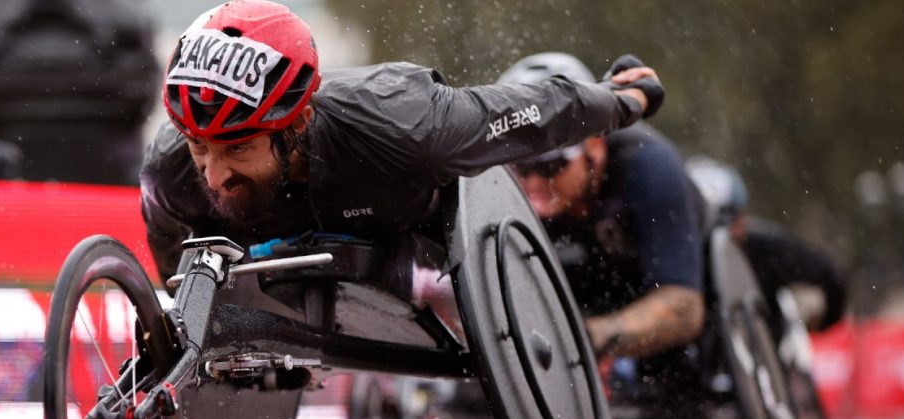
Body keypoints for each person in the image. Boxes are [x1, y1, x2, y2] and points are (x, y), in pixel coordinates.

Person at [139, 0, 666, 294]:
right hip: (277, 262)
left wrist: (621, 101)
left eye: (237, 150)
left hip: (407, 230)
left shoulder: (404, 122)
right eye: (200, 148)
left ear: (297, 118)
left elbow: (528, 113)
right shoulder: (168, 172)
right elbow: (170, 271)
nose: (213, 175)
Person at [498, 52, 709, 419]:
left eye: (548, 167)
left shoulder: (648, 164)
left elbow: (684, 309)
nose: (532, 186)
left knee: (677, 403)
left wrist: (586, 337)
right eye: (520, 168)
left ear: (593, 146)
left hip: (666, 279)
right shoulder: (528, 194)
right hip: (586, 280)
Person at [685, 156, 847, 337]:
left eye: (725, 225)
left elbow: (831, 276)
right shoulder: (679, 261)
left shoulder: (765, 248)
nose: (715, 243)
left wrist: (821, 324)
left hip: (767, 346)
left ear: (741, 220)